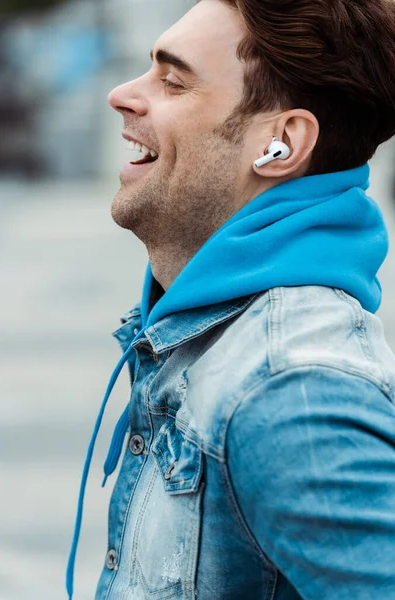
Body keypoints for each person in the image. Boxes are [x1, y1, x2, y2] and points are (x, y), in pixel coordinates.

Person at [66, 0, 395, 598]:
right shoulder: (222, 334)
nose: (120, 95)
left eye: (173, 81)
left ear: (281, 144)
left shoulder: (290, 388)